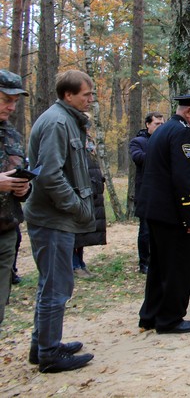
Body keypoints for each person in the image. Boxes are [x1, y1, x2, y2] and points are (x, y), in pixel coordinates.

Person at [25, 70, 95, 372]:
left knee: (50, 284)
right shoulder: (57, 122)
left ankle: (41, 345)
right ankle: (50, 355)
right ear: (68, 95)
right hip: (53, 218)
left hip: (55, 217)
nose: (90, 99)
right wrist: (77, 207)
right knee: (56, 287)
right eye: (85, 95)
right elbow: (49, 176)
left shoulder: (66, 119)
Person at [138, 94, 190, 335]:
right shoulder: (181, 133)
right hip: (173, 213)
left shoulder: (164, 130)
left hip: (158, 210)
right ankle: (170, 318)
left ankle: (150, 314)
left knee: (159, 266)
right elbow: (184, 178)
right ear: (189, 111)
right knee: (178, 267)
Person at [0, 70, 30, 326]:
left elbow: (20, 170)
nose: (11, 106)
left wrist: (23, 189)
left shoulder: (11, 134)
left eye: (15, 101)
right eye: (5, 99)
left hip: (7, 230)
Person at [129, 112, 165, 273]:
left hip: (163, 192)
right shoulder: (138, 141)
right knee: (145, 230)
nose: (160, 127)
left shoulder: (166, 140)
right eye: (157, 124)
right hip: (146, 193)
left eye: (162, 124)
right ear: (148, 124)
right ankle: (144, 262)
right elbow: (138, 158)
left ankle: (159, 260)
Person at [72, 135, 108, 277]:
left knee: (84, 233)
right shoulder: (72, 138)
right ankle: (74, 264)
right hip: (79, 194)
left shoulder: (89, 141)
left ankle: (80, 262)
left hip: (93, 193)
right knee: (75, 233)